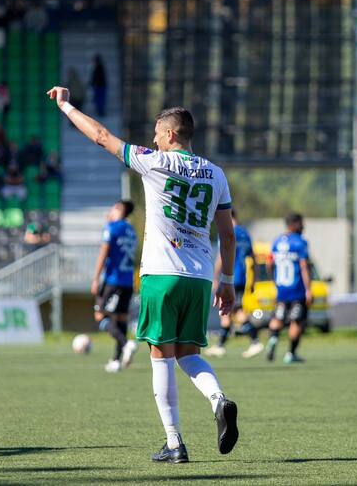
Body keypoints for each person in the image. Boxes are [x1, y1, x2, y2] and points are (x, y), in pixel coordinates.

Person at [48, 85, 239, 464]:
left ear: (170, 134)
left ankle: (174, 443)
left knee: (160, 356)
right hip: (200, 278)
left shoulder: (154, 161)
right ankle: (218, 400)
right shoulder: (216, 174)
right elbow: (229, 233)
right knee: (189, 354)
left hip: (161, 273)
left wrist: (67, 106)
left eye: (156, 132)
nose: (152, 138)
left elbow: (102, 137)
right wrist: (228, 281)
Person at [91, 200, 140, 373]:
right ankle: (115, 360)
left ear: (119, 210)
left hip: (113, 280)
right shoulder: (131, 231)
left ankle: (126, 344)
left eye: (113, 207)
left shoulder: (111, 228)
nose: (110, 210)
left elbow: (104, 253)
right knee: (120, 320)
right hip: (128, 281)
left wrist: (96, 278)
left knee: (100, 315)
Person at [207, 209, 262, 358]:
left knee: (234, 311)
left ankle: (255, 341)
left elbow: (221, 256)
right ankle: (220, 345)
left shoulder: (228, 231)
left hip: (229, 277)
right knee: (228, 311)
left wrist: (215, 276)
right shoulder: (245, 234)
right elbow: (254, 259)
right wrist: (254, 280)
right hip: (241, 278)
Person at [265, 213, 312, 364]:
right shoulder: (300, 242)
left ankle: (273, 339)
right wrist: (308, 289)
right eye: (301, 223)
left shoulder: (277, 241)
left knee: (278, 317)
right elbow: (304, 266)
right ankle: (290, 354)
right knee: (296, 321)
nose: (303, 226)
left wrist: (274, 281)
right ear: (296, 224)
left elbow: (269, 264)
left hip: (281, 289)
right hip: (297, 289)